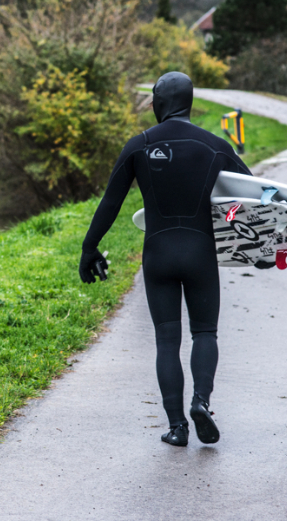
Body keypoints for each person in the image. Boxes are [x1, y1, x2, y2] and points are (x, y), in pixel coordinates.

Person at [78, 72, 251, 446]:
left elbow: (111, 202)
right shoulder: (215, 146)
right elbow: (254, 198)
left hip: (158, 254)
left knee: (166, 340)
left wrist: (88, 248)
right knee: (205, 333)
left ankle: (177, 427)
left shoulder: (139, 145)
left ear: (161, 101)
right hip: (200, 252)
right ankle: (201, 402)